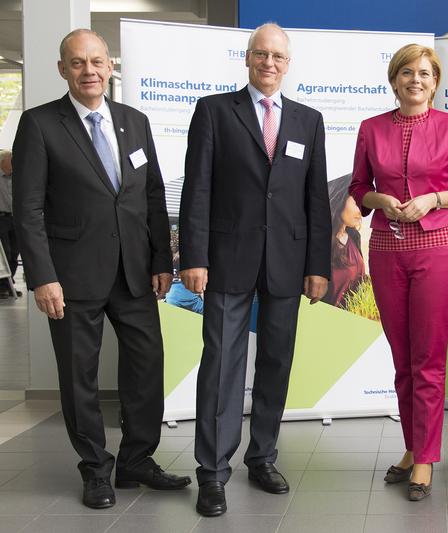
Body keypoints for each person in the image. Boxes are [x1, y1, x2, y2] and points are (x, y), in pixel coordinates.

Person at [11, 29, 190, 509]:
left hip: (135, 272)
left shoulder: (135, 120)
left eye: (96, 61)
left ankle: (136, 460)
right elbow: (28, 209)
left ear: (111, 66)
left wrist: (160, 260)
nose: (88, 71)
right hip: (71, 276)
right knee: (79, 376)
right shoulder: (40, 124)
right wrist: (42, 275)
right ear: (62, 70)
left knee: (147, 368)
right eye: (77, 63)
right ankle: (95, 468)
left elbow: (152, 195)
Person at [179, 22, 331, 517]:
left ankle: (262, 456)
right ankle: (213, 472)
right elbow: (196, 189)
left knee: (276, 364)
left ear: (288, 65)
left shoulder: (308, 120)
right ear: (247, 59)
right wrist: (194, 257)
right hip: (226, 260)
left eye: (278, 57)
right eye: (261, 55)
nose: (269, 63)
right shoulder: (215, 111)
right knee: (222, 365)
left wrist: (317, 266)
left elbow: (315, 201)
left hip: (288, 263)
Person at [349, 43, 448, 501]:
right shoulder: (371, 129)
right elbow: (359, 186)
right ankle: (412, 446)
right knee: (402, 359)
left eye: (425, 73)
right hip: (387, 249)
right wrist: (379, 201)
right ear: (395, 79)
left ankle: (424, 459)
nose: (416, 80)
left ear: (435, 81)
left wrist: (432, 199)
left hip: (439, 249)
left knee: (428, 360)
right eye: (407, 72)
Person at [323, 175, 365, 308]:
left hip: (347, 322)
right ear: (340, 197)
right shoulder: (319, 240)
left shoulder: (354, 238)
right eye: (357, 202)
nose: (363, 210)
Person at [0, 150, 19, 297]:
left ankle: (9, 283)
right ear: (3, 162)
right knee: (5, 252)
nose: (13, 163)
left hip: (15, 219)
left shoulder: (16, 178)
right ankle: (2, 286)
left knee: (14, 252)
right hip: (1, 219)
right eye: (11, 160)